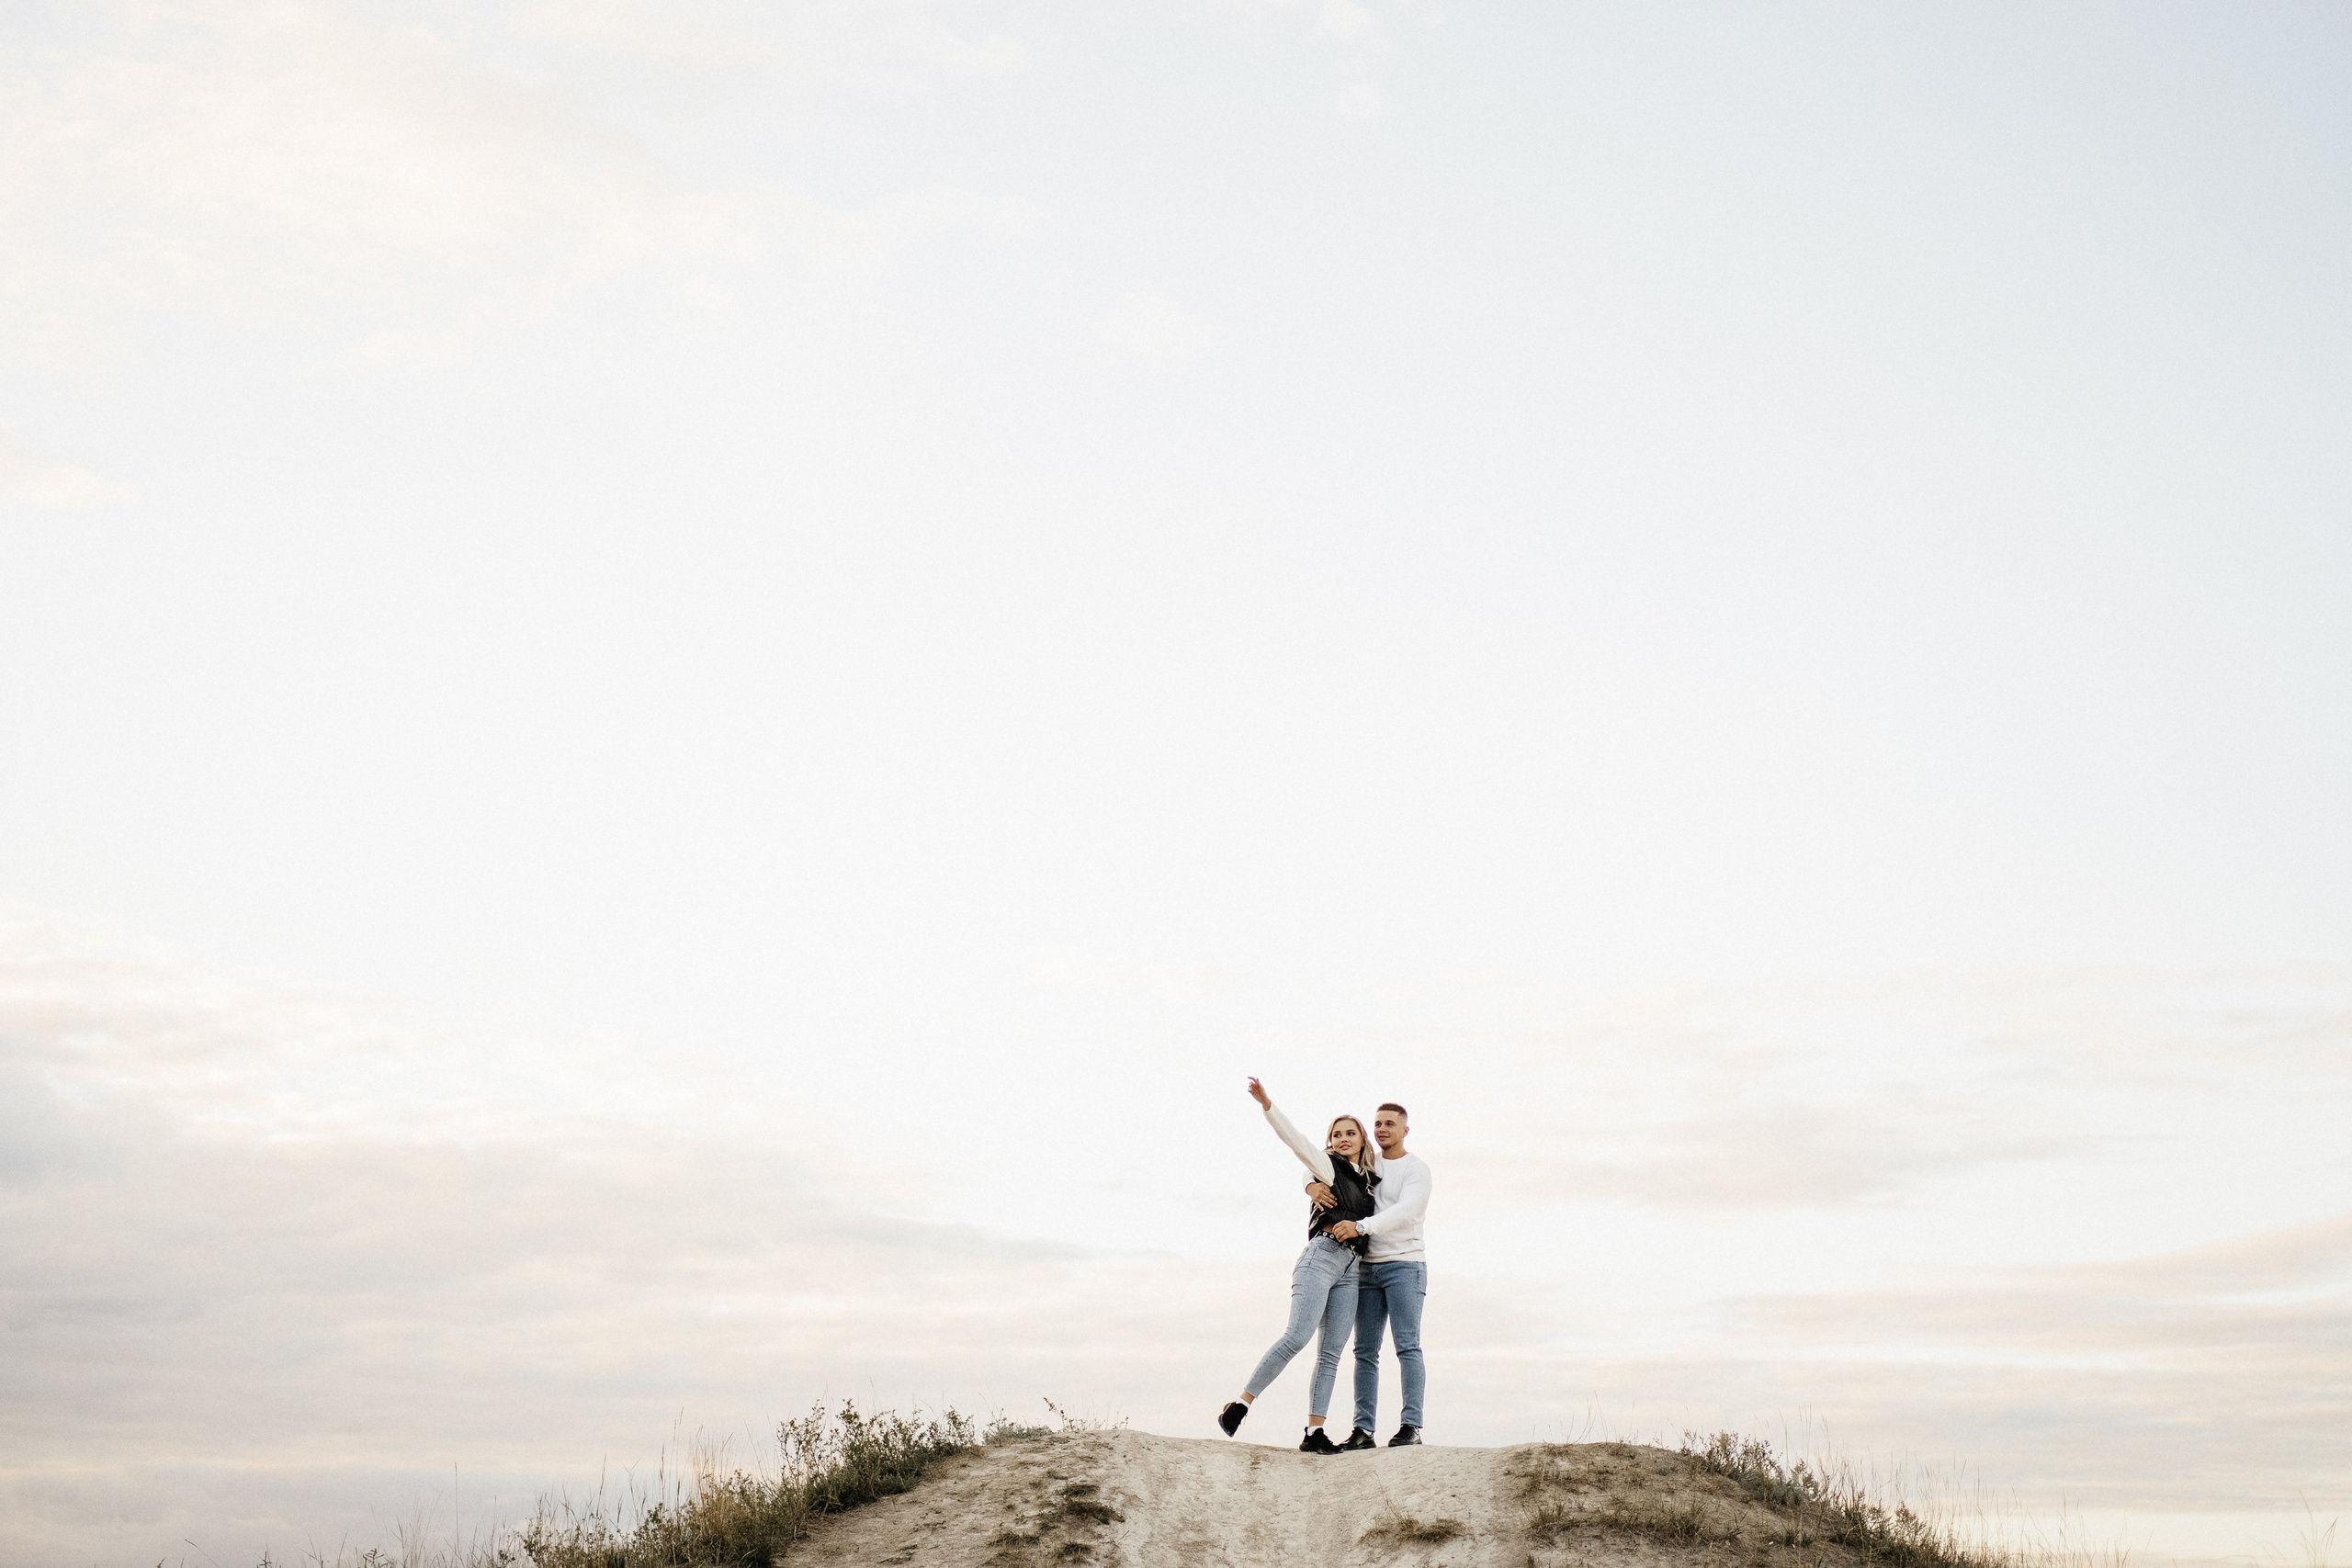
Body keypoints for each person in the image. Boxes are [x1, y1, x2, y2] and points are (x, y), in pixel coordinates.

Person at [1217, 1077, 1380, 1455]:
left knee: (1331, 1353)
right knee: (1297, 1336)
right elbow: (1295, 1141)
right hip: (1321, 1258)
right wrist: (1267, 1104)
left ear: (1362, 1140)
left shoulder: (1372, 1181)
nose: (1342, 1139)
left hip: (1351, 1269)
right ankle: (1240, 1403)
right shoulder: (1326, 1166)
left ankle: (1314, 1432)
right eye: (1336, 1134)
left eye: (1350, 1133)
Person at [1307, 1100, 1430, 1448]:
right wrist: (1309, 1185)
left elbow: (1406, 1212)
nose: (1382, 1130)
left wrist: (1361, 1226)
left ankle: (1412, 1426)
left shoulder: (1416, 1169)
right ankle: (1363, 1430)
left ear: (1404, 1130)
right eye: (1377, 1124)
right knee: (1364, 1351)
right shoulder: (1365, 1164)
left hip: (1405, 1265)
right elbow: (1320, 1160)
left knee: (1407, 1347)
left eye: (1390, 1124)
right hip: (1366, 1268)